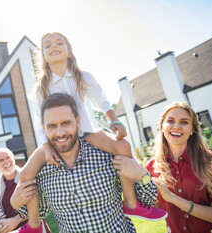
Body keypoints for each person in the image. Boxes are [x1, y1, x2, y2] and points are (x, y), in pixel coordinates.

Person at [19, 32, 166, 232]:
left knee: (123, 146)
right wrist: (46, 147)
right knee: (26, 174)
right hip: (54, 140)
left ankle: (131, 203)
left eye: (59, 43)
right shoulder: (40, 87)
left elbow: (102, 101)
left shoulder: (82, 76)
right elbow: (39, 123)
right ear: (42, 56)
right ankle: (34, 225)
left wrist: (114, 120)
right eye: (47, 45)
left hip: (87, 132)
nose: (53, 46)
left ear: (69, 51)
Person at [12, 93, 165, 232]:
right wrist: (15, 201)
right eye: (52, 126)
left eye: (66, 123)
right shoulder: (42, 171)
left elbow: (149, 199)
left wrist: (142, 175)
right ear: (43, 128)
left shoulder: (108, 155)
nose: (60, 133)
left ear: (78, 121)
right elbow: (40, 212)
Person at [145, 101, 212, 232]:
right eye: (170, 121)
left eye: (184, 122)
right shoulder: (152, 167)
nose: (176, 126)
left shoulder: (211, 161)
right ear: (162, 126)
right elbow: (154, 209)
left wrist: (173, 199)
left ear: (192, 129)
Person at [0, 148, 51, 233]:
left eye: (8, 157)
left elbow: (41, 205)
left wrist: (17, 219)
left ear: (13, 158)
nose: (6, 162)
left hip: (37, 228)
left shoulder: (29, 176)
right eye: (1, 160)